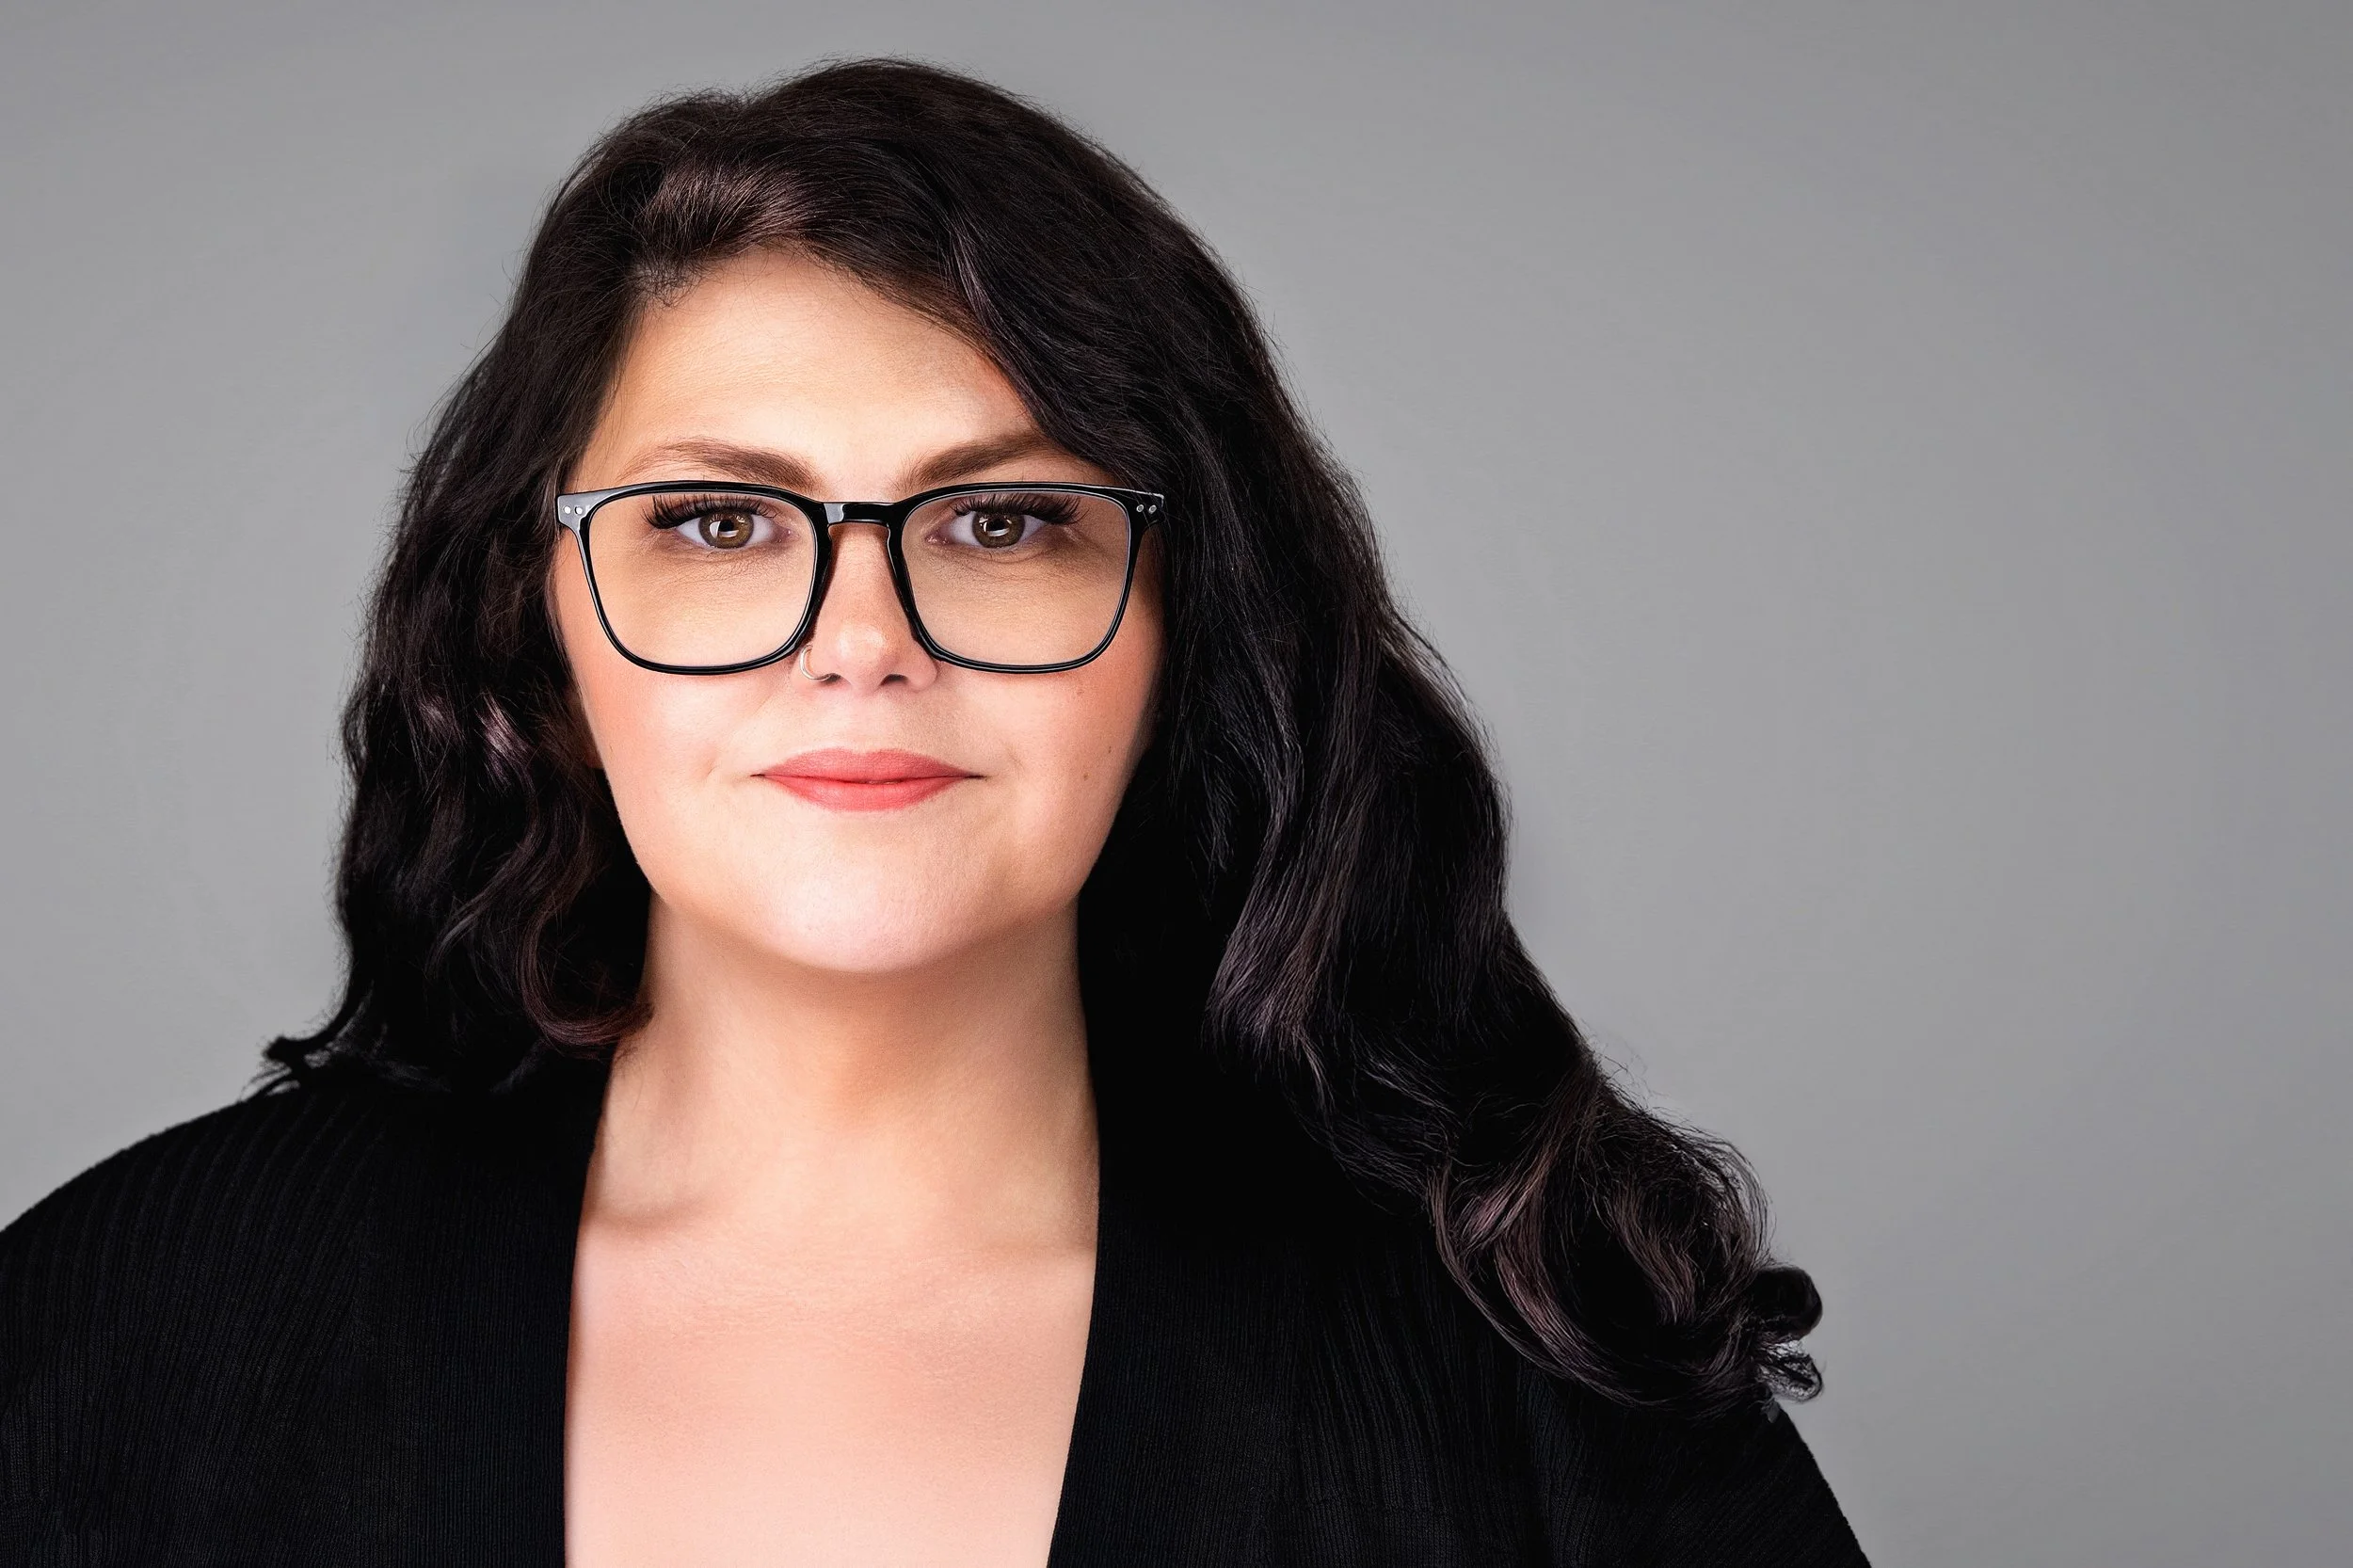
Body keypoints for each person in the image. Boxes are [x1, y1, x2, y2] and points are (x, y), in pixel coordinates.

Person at [0, 59, 1866, 1565]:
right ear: (540, 616)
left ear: (1176, 620)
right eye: (721, 523)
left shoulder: (1524, 1373)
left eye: (1003, 520)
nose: (861, 642)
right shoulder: (120, 1332)